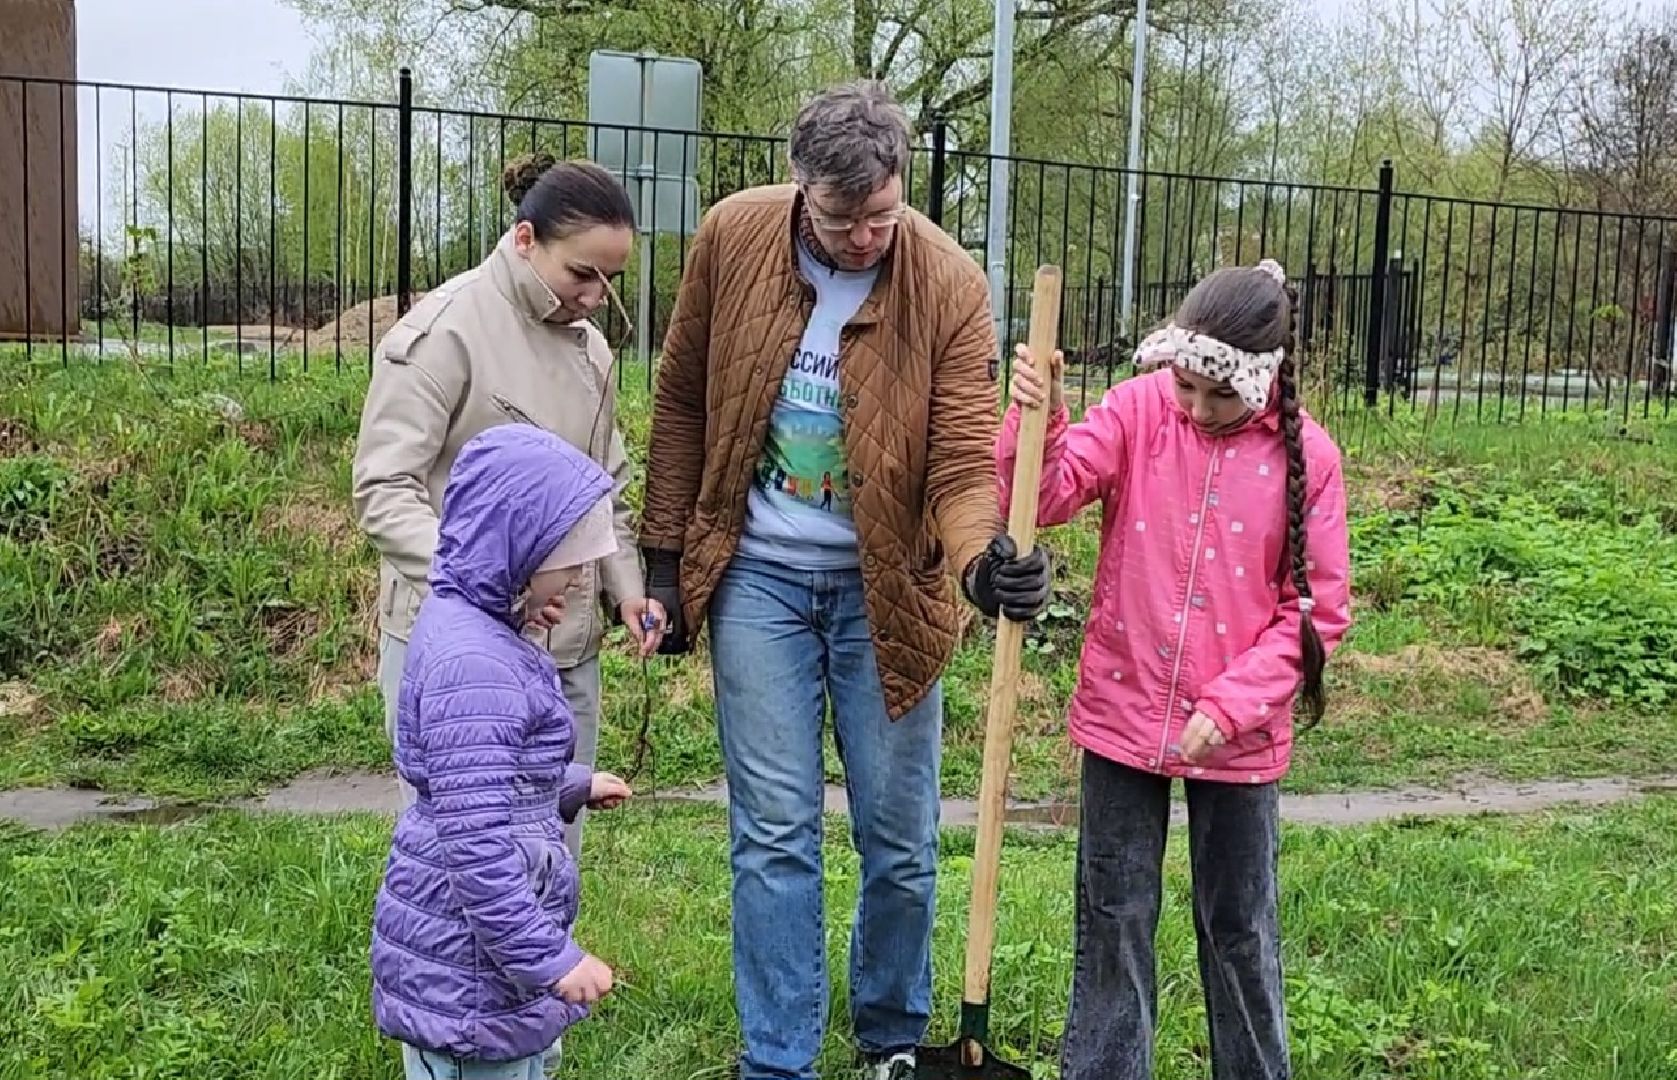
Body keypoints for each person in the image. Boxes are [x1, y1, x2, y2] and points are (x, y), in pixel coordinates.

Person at [638, 80, 1053, 1080]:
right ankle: (777, 1056)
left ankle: (891, 1038)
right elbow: (682, 398)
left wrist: (981, 563)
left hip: (891, 592)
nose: (865, 237)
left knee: (900, 837)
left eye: (882, 213)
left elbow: (961, 462)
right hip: (761, 581)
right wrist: (664, 557)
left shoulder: (948, 282)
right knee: (774, 831)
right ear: (799, 187)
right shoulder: (734, 237)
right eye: (841, 217)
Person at [998, 258, 1353, 1080]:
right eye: (1184, 386)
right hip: (1122, 712)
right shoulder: (1138, 409)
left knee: (1239, 927)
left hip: (1239, 739)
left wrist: (1228, 707)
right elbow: (1043, 497)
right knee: (1113, 913)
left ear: (1261, 380)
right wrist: (1036, 418)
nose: (1193, 407)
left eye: (1216, 395)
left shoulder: (1309, 457)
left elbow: (1313, 614)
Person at [352, 151, 664, 861]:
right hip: (456, 649)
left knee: (552, 854)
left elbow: (603, 487)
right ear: (526, 240)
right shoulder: (443, 334)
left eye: (610, 280)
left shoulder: (592, 352)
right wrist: (487, 587)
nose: (596, 296)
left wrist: (626, 590)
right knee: (459, 854)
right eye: (581, 274)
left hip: (566, 647)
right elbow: (384, 489)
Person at [370, 423, 632, 1080]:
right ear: (518, 550)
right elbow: (477, 846)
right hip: (470, 987)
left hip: (480, 976)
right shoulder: (475, 666)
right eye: (565, 561)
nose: (577, 579)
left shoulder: (476, 628)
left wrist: (569, 785)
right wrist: (552, 960)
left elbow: (484, 776)